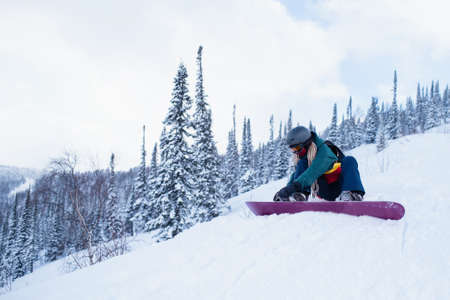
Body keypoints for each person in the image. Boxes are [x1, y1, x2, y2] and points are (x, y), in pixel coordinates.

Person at [274, 126, 365, 202]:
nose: (296, 152)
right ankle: (299, 195)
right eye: (293, 150)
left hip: (338, 187)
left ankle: (352, 194)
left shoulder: (324, 153)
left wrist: (290, 188)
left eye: (297, 148)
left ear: (306, 143)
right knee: (302, 163)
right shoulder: (305, 158)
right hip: (322, 189)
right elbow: (297, 175)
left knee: (350, 160)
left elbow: (313, 171)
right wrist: (286, 191)